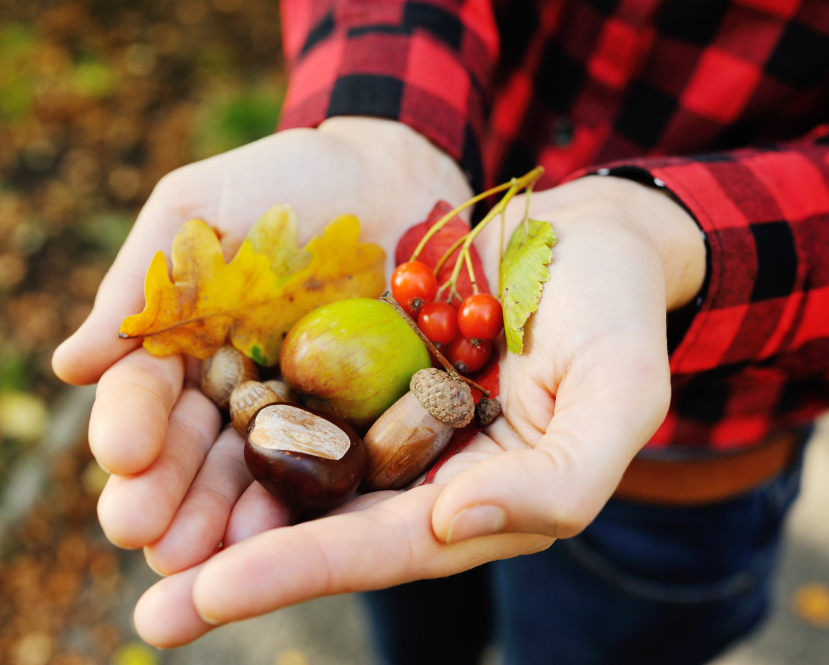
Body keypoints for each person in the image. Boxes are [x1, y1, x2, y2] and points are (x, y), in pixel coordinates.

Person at [52, 1, 829, 663]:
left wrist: (669, 235)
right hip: (471, 345)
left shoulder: (453, 337)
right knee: (417, 632)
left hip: (699, 453)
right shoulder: (407, 328)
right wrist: (379, 119)